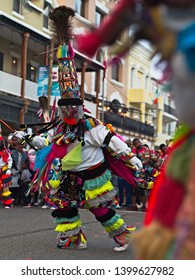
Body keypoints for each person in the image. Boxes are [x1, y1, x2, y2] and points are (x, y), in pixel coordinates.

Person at [14, 6, 142, 252]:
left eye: (74, 108)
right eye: (66, 109)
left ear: (81, 108)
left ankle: (121, 236)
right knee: (63, 204)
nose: (71, 113)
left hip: (94, 174)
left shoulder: (92, 126)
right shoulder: (59, 126)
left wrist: (132, 158)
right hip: (69, 174)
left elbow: (113, 142)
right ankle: (74, 237)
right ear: (61, 110)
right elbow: (48, 147)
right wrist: (27, 140)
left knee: (100, 207)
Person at [0, 136, 13, 208]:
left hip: (4, 170)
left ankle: (7, 203)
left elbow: (10, 160)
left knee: (5, 187)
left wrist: (9, 168)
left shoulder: (6, 151)